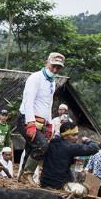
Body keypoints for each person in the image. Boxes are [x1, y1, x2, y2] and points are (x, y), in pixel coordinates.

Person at [17, 52, 66, 184]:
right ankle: (27, 175)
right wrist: (31, 124)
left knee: (30, 148)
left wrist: (49, 124)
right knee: (42, 146)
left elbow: (48, 104)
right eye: (53, 66)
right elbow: (28, 102)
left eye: (58, 68)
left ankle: (21, 178)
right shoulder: (35, 78)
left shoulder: (52, 82)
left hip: (41, 122)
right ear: (46, 63)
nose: (55, 70)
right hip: (26, 119)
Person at [41, 121, 99, 190]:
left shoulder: (52, 143)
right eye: (73, 135)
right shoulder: (70, 147)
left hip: (45, 181)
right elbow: (94, 148)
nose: (77, 138)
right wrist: (87, 140)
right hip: (59, 184)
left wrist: (71, 160)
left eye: (77, 135)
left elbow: (58, 160)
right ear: (65, 136)